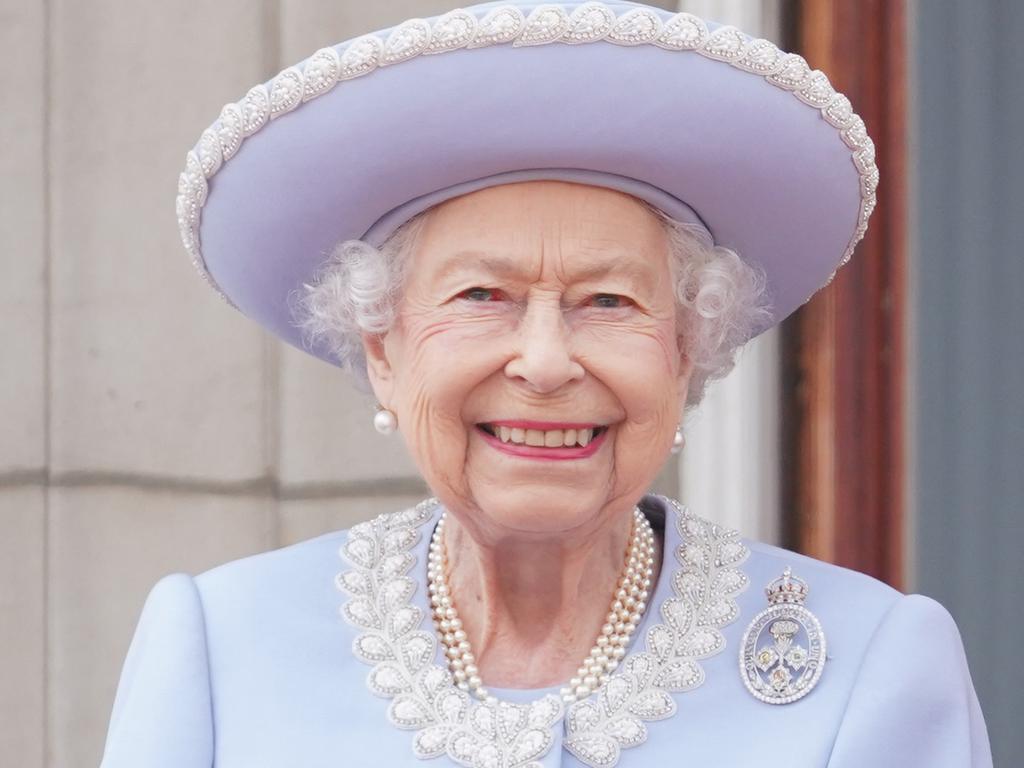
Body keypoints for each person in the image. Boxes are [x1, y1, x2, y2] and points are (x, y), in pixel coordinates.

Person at [102, 2, 992, 766]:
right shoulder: (222, 646)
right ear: (383, 349)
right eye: (481, 295)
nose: (545, 361)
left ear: (685, 349)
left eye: (607, 300)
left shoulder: (866, 665)